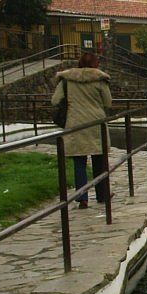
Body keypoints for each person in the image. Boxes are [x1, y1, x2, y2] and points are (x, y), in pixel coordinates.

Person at [52, 52, 113, 209]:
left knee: (79, 162)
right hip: (96, 123)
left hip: (76, 123)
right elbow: (108, 102)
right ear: (95, 64)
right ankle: (102, 195)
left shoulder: (67, 80)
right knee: (99, 160)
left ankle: (82, 198)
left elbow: (55, 100)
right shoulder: (100, 80)